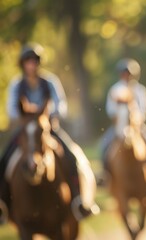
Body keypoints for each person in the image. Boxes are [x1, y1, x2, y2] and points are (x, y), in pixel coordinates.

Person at [0, 44, 98, 224]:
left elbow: (62, 106)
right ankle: (3, 205)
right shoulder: (16, 85)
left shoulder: (50, 81)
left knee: (71, 156)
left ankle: (78, 200)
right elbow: (12, 110)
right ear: (23, 64)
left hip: (48, 129)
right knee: (4, 160)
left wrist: (45, 112)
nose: (31, 65)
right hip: (25, 130)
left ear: (38, 63)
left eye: (34, 61)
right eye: (28, 61)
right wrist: (28, 113)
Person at [101, 58, 146, 191]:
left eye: (129, 73)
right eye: (124, 73)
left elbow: (144, 109)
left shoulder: (140, 90)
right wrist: (119, 120)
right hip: (118, 126)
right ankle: (106, 178)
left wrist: (136, 121)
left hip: (137, 126)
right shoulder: (114, 90)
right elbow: (110, 110)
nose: (126, 76)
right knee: (104, 147)